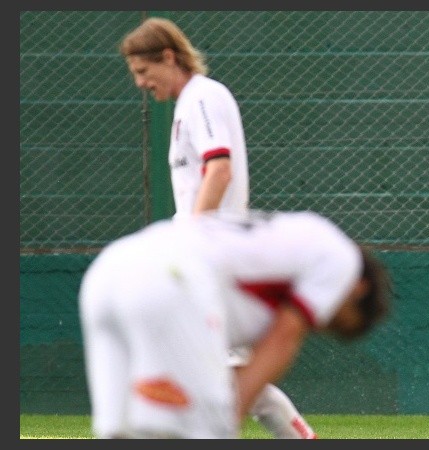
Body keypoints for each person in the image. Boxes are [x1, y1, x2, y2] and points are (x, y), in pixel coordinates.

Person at [119, 17, 317, 439]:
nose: (140, 82)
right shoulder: (187, 105)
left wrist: (192, 239)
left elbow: (219, 169)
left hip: (213, 260)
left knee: (210, 375)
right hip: (212, 257)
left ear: (168, 57)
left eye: (143, 70)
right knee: (231, 377)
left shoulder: (202, 97)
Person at [79, 209, 391, 438]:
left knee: (122, 433)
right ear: (359, 288)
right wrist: (223, 425)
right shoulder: (342, 258)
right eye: (337, 323)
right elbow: (282, 339)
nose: (322, 327)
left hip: (109, 271)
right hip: (172, 279)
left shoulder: (294, 238)